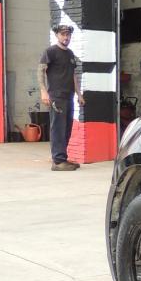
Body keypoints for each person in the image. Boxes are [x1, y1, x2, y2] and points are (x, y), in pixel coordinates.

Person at [39, 24, 84, 171]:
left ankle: (62, 157)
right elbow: (40, 71)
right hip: (56, 97)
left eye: (68, 35)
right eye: (63, 34)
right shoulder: (50, 51)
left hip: (69, 96)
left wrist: (79, 94)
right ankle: (58, 162)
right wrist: (44, 91)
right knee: (58, 128)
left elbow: (73, 76)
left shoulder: (70, 54)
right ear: (57, 35)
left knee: (67, 129)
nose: (66, 37)